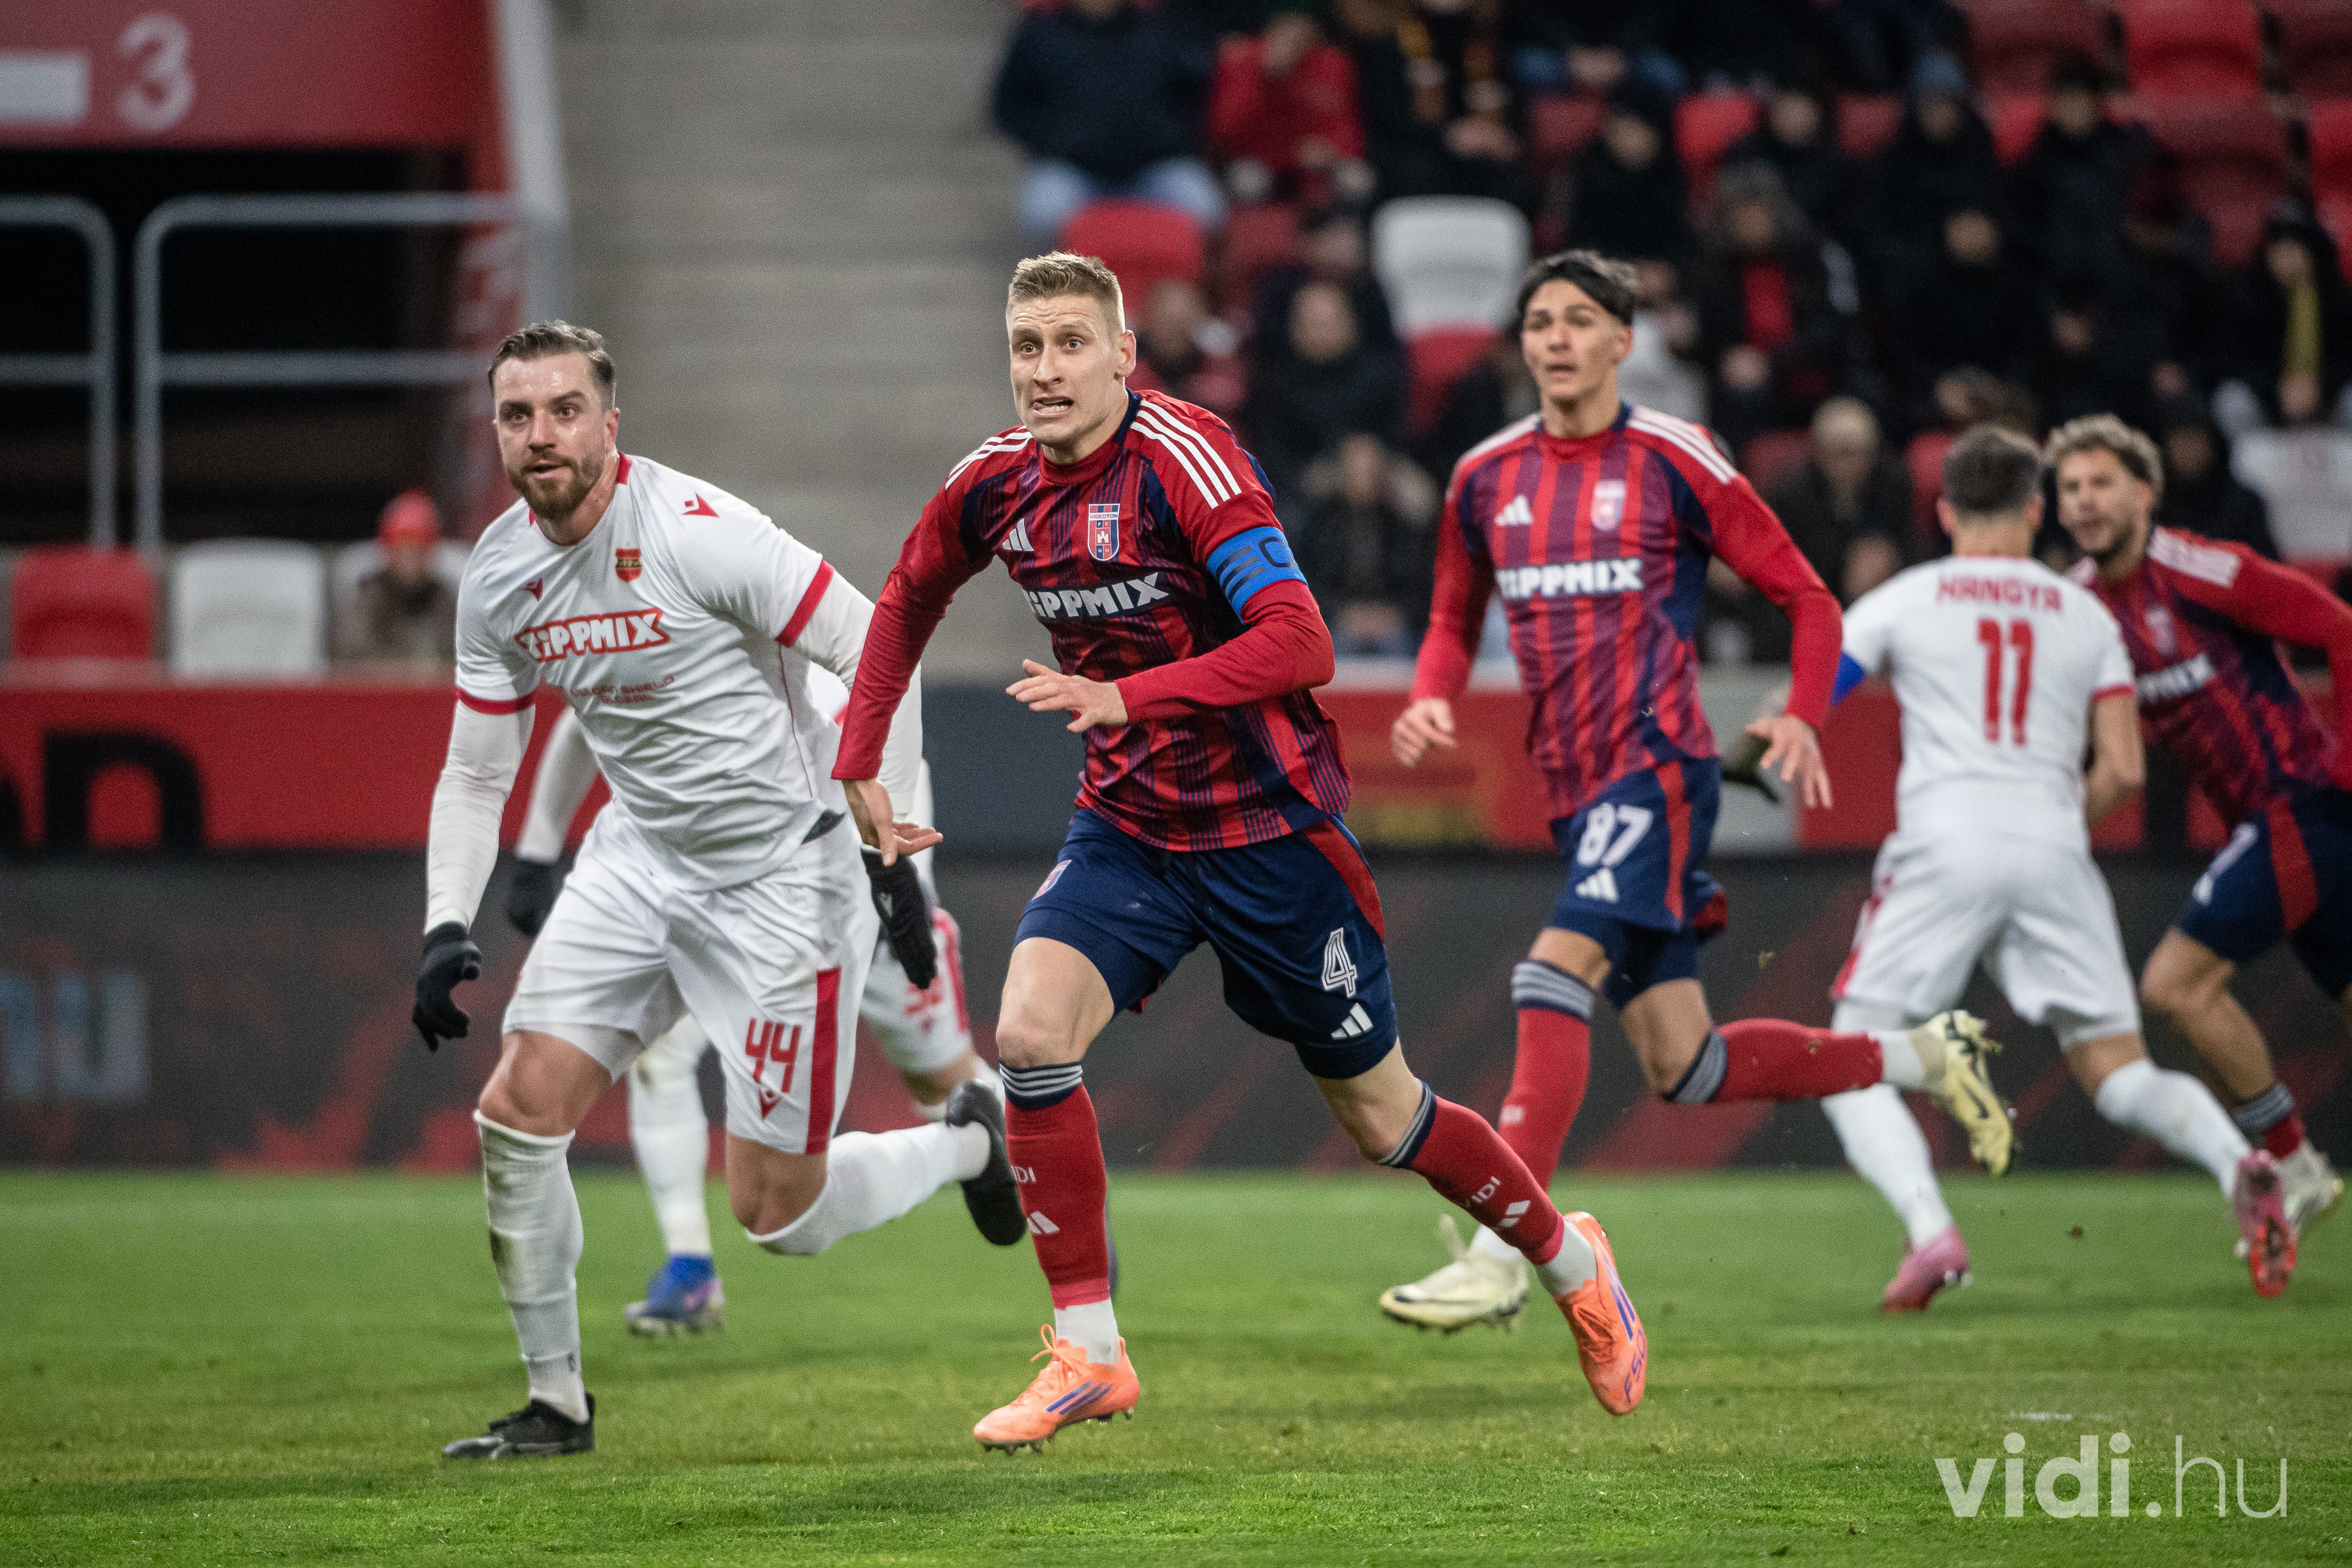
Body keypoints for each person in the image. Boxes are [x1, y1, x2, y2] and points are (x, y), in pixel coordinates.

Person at [835, 252, 1651, 1447]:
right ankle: (1090, 1352)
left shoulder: (1186, 459)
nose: (1045, 370)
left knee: (1384, 1119)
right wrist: (859, 758)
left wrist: (1128, 696)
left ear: (1124, 356)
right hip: (1130, 828)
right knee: (1029, 1038)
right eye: (1026, 347)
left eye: (1071, 344)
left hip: (1273, 833)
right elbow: (908, 596)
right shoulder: (994, 483)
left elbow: (1301, 641)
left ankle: (1572, 1260)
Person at [414, 322, 1022, 1461]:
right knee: (517, 1111)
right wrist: (447, 918)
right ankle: (556, 1404)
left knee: (778, 1216)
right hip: (639, 861)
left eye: (563, 411)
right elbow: (477, 767)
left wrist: (894, 854)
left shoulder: (700, 533)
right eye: (517, 415)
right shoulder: (496, 575)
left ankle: (968, 1146)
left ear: (610, 424)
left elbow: (878, 648)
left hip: (782, 880)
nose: (540, 435)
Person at [1379, 251, 2012, 1333]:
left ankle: (1501, 1256)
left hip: (1658, 767)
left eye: (1580, 320)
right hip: (1574, 788)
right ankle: (1921, 1054)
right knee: (1688, 1063)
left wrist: (1803, 712)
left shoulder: (1675, 456)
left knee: (1549, 974)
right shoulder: (1484, 476)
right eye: (1540, 322)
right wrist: (1431, 695)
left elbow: (1809, 601)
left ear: (1624, 341)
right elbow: (1450, 616)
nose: (1557, 339)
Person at [1823, 426, 2285, 1307]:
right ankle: (2239, 1161)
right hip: (2054, 847)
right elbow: (2123, 770)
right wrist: (2042, 827)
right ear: (2037, 511)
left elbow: (1821, 688)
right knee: (2120, 1072)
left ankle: (1931, 1232)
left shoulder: (1904, 599)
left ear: (1945, 510)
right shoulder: (2085, 615)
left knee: (1849, 1056)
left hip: (1946, 841)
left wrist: (1765, 739)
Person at [504, 673, 1004, 1336]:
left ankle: (1052, 1188)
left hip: (867, 902)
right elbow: (588, 715)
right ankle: (689, 1265)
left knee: (943, 1083)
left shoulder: (820, 679)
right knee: (666, 1058)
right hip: (752, 909)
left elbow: (893, 764)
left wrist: (900, 889)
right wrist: (538, 853)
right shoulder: (683, 658)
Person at [2051, 413, 2350, 1258]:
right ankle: (2295, 1163)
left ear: (2145, 493)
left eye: (2102, 483)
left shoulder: (2204, 569)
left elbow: (2339, 627)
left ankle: (2294, 1163)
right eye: (2070, 488)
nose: (2085, 501)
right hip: (2276, 824)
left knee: (2176, 985)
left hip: (2304, 805)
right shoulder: (2077, 607)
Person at [992, 0, 1224, 250]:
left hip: (1155, 166)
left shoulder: (1162, 30)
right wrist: (1049, 141)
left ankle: (1177, 274)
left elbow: (1198, 95)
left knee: (1207, 211)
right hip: (1073, 170)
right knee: (1041, 217)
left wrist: (1173, 135)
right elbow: (1008, 103)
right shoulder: (1039, 35)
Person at [1244, 280, 1406, 512]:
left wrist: (1370, 456)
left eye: (1330, 322)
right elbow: (1273, 459)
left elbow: (1402, 436)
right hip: (1304, 480)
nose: (1321, 333)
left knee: (1421, 500)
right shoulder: (1274, 384)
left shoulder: (1381, 375)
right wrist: (1335, 467)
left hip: (1381, 468)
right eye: (1312, 324)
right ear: (1293, 329)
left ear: (1352, 324)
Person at [1203, 4, 1373, 207]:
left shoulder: (1333, 63)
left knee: (1357, 179)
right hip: (1258, 159)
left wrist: (1332, 150)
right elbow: (1223, 131)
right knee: (1248, 181)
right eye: (1285, 29)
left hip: (1315, 163)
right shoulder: (1242, 58)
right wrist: (1265, 78)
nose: (1292, 40)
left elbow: (1348, 125)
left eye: (1301, 31)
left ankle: (1341, 227)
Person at [1294, 431, 1437, 655]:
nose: (1362, 476)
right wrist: (1340, 614)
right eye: (1355, 469)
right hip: (1335, 621)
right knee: (1325, 649)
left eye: (1369, 469)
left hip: (1392, 624)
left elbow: (1420, 584)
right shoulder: (1320, 525)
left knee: (1403, 651)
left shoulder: (1403, 525)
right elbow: (1306, 579)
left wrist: (1394, 615)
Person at [336, 490, 457, 664]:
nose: (409, 560)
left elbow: (462, 656)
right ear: (387, 553)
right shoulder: (368, 596)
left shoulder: (445, 599)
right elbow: (353, 656)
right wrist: (410, 669)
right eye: (402, 550)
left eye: (418, 550)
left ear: (431, 554)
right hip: (381, 683)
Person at [2149, 397, 2278, 559]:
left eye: (2195, 441)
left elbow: (2265, 564)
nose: (2188, 451)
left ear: (2212, 444)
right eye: (2180, 442)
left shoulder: (2244, 503)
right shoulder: (2153, 504)